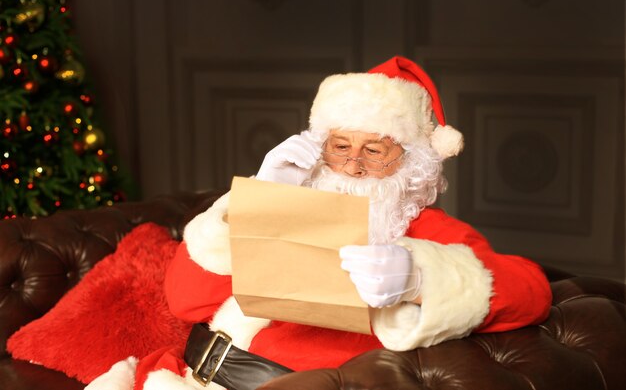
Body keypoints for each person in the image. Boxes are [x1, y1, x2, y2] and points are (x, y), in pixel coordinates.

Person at [86, 56, 552, 390]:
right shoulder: (291, 203)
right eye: (340, 147)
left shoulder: (425, 228)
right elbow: (185, 301)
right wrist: (259, 201)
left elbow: (532, 290)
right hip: (179, 374)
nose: (352, 166)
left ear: (414, 160)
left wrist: (421, 279)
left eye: (374, 150)